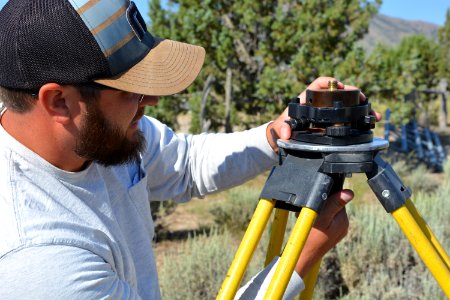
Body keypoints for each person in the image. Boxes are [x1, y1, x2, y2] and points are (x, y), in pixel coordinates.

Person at [0, 0, 370, 299]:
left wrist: (276, 133)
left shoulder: (99, 134)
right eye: (131, 88)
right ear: (59, 101)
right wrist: (298, 259)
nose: (153, 100)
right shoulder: (40, 259)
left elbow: (187, 163)